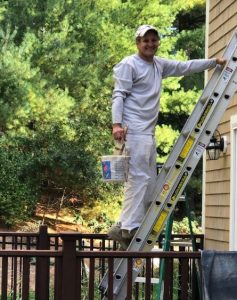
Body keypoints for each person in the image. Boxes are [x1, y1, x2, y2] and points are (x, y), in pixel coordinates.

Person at [108, 24, 226, 250]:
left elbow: (185, 66)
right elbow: (118, 95)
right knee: (139, 179)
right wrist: (116, 125)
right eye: (145, 40)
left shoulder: (158, 65)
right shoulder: (129, 64)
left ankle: (122, 224)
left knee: (149, 181)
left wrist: (213, 62)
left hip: (147, 132)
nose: (150, 44)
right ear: (138, 43)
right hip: (133, 130)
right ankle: (129, 229)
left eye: (154, 40)